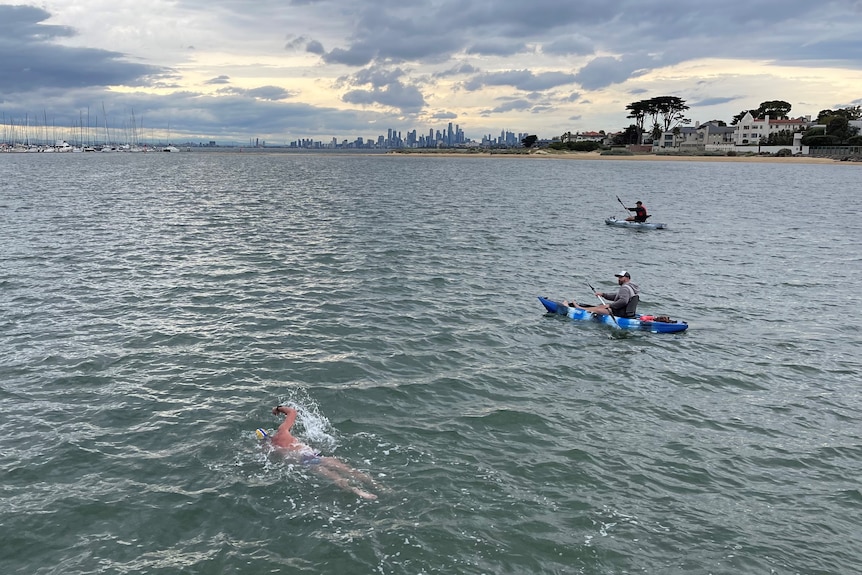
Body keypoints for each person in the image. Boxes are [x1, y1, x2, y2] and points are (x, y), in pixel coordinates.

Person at [264, 404, 381, 500]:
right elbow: (292, 412)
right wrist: (277, 409)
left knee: (336, 478)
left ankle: (357, 491)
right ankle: (379, 487)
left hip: (304, 461)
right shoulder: (282, 431)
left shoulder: (270, 447)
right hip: (311, 455)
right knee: (349, 470)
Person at [568, 271, 640, 318]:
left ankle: (580, 309)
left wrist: (610, 305)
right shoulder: (631, 288)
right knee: (601, 306)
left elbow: (623, 301)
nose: (619, 279)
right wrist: (603, 295)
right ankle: (582, 308)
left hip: (620, 313)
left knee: (600, 308)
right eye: (618, 277)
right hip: (627, 313)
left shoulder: (625, 288)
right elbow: (617, 296)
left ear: (627, 278)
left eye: (621, 277)